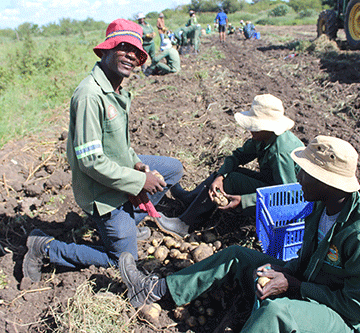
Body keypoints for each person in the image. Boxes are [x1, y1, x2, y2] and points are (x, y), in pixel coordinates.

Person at [120, 135, 360, 333]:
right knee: (237, 255)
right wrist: (288, 271)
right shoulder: (320, 206)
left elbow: (352, 308)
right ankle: (154, 290)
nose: (298, 177)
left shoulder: (356, 234)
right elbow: (310, 257)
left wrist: (295, 286)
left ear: (325, 181)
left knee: (276, 313)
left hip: (341, 319)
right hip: (310, 284)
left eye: (305, 173)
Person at [22, 19, 183, 283]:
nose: (131, 55)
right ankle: (46, 247)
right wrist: (141, 180)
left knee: (173, 169)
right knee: (120, 260)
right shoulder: (90, 95)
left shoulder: (116, 90)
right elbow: (91, 162)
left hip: (120, 171)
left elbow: (122, 146)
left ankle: (127, 224)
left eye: (137, 52)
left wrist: (138, 165)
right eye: (123, 47)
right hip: (102, 190)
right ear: (106, 50)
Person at [155, 94, 304, 238]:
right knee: (224, 176)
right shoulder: (264, 138)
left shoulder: (280, 152)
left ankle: (185, 225)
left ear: (268, 127)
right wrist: (221, 175)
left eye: (255, 126)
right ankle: (189, 200)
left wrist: (245, 201)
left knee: (230, 181)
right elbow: (238, 156)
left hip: (290, 205)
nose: (250, 129)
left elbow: (286, 196)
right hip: (273, 184)